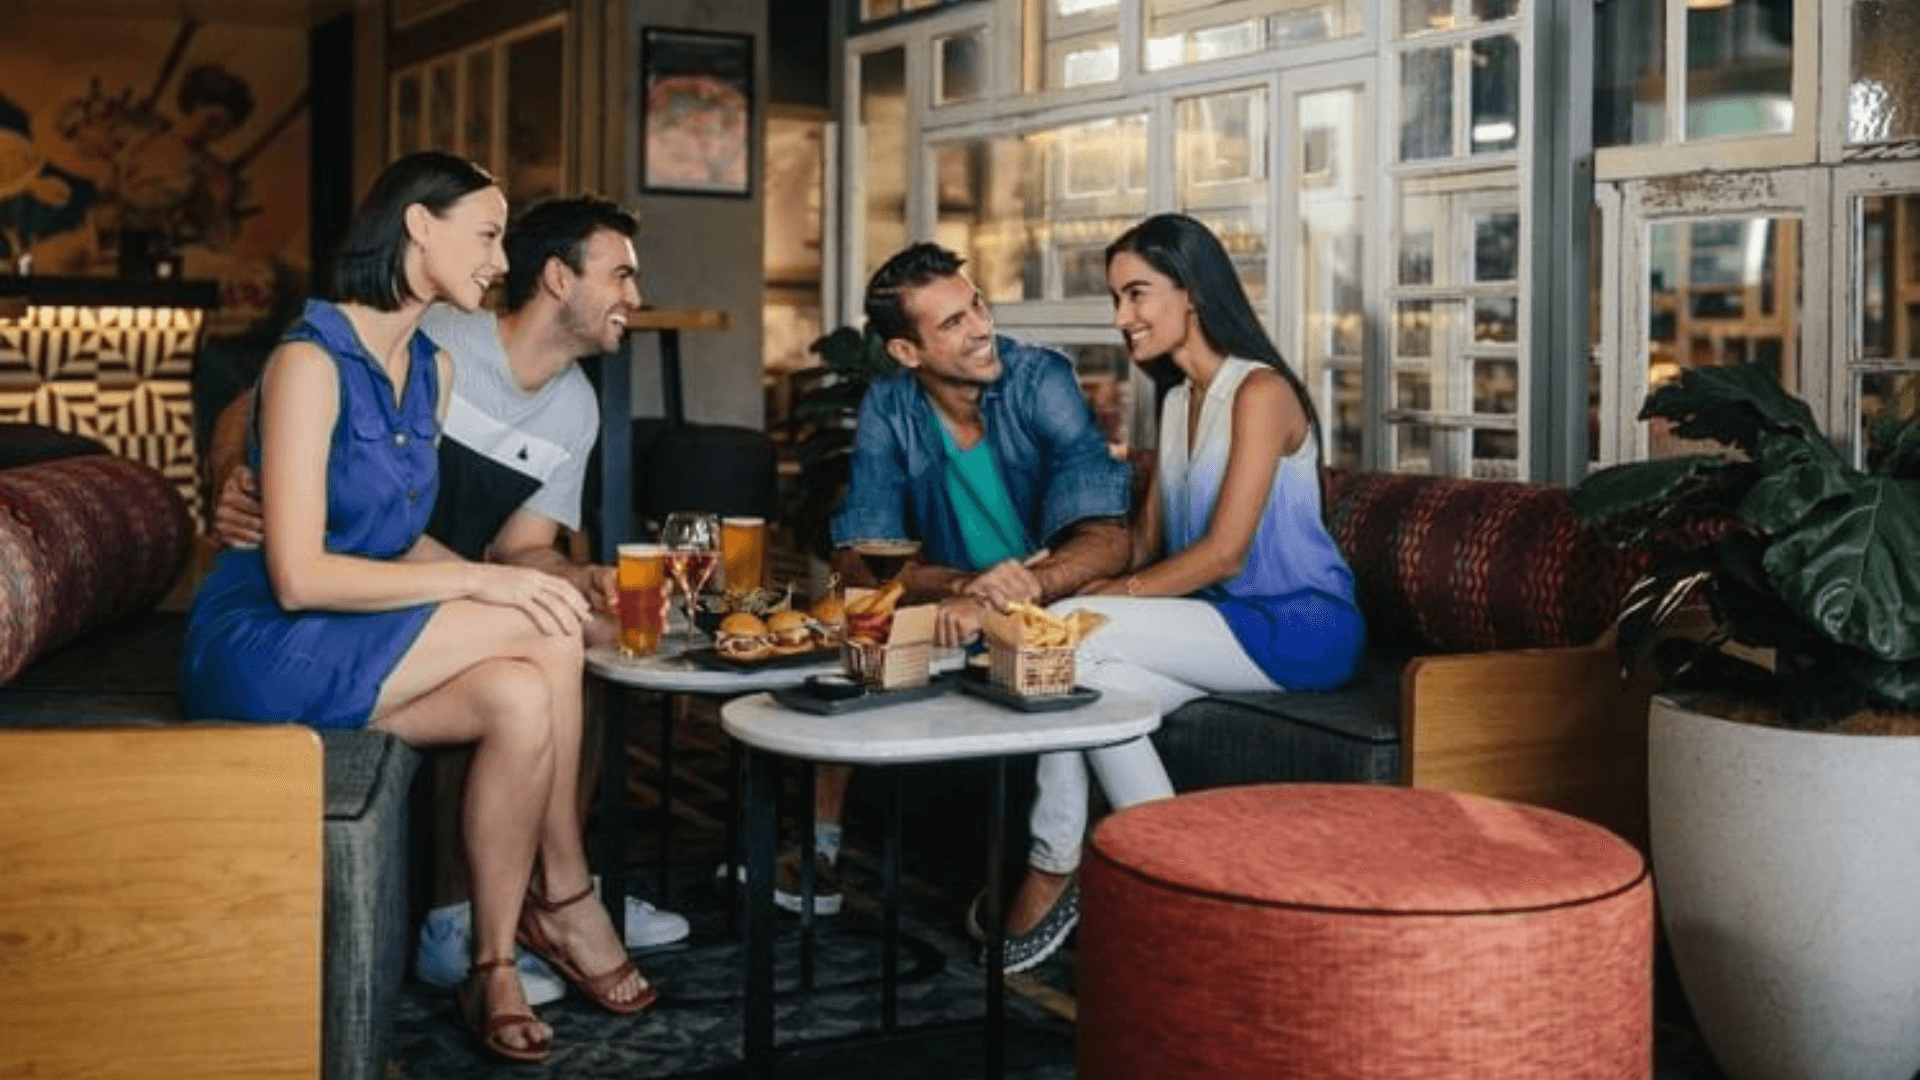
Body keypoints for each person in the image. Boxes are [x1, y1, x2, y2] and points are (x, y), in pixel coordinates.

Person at [180, 152, 651, 1065]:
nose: (500, 259)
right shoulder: (311, 358)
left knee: (522, 689)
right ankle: (567, 892)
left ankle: (492, 959)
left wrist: (527, 579)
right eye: (486, 235)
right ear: (417, 227)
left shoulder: (427, 369)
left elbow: (396, 539)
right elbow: (299, 579)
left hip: (348, 634)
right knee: (533, 619)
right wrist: (486, 583)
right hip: (264, 639)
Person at [1017, 212, 1366, 967]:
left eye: (1137, 294)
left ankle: (1054, 863)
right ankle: (1188, 897)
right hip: (1220, 624)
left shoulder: (1261, 392)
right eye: (1117, 299)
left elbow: (1224, 554)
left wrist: (1098, 601)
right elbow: (1144, 543)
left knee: (1070, 637)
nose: (1122, 318)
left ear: (1193, 293)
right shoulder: (1176, 402)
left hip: (1301, 627)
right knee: (1085, 679)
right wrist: (1045, 570)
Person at [789, 242, 1133, 952]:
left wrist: (1018, 588)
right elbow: (865, 553)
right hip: (953, 603)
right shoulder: (890, 405)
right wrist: (958, 587)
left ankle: (1070, 864)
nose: (980, 326)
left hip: (1047, 610)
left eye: (976, 303)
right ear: (907, 352)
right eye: (951, 323)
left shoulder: (1042, 380)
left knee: (1037, 625)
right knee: (855, 630)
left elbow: (1107, 540)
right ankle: (817, 848)